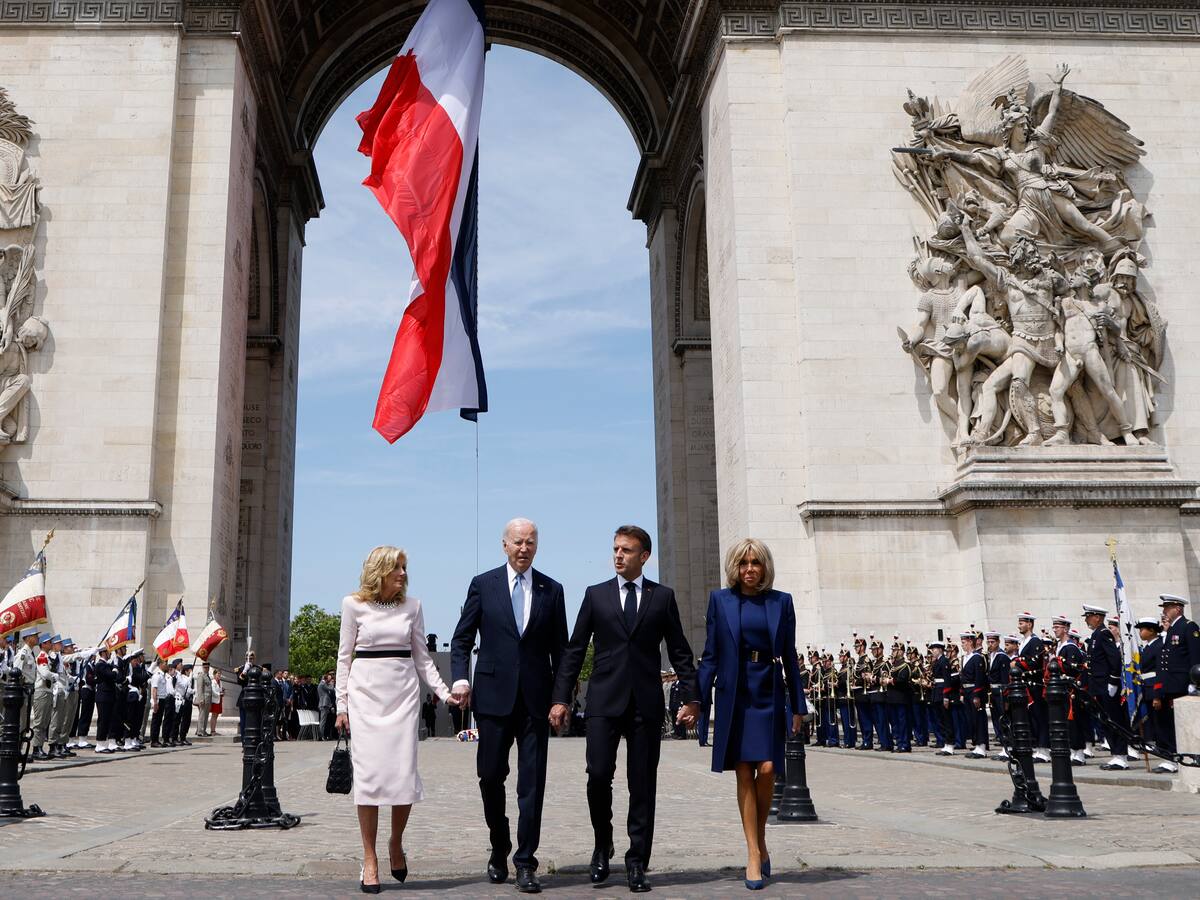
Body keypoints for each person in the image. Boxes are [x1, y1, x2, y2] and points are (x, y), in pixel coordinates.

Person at [550, 525, 698, 894]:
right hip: (603, 702)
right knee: (598, 775)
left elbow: (679, 649)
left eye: (626, 550)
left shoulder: (662, 597)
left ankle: (637, 861)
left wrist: (693, 698)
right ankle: (603, 845)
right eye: (615, 549)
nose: (618, 555)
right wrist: (560, 697)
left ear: (643, 556)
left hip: (646, 704)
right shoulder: (595, 595)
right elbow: (574, 649)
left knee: (642, 784)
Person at [449, 517, 568, 894]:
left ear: (537, 546)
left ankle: (525, 862)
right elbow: (461, 637)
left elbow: (562, 651)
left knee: (532, 784)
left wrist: (561, 697)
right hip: (493, 698)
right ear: (504, 545)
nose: (523, 548)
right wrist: (460, 678)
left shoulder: (553, 589)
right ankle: (499, 844)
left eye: (530, 542)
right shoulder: (483, 585)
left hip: (536, 701)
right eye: (517, 542)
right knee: (490, 775)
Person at [336, 545, 456, 894]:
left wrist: (445, 693)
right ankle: (370, 858)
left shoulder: (413, 607)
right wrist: (341, 705)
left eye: (405, 568)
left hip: (403, 696)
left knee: (403, 775)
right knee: (370, 779)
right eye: (398, 568)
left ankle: (395, 842)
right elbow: (344, 658)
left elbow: (423, 659)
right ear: (380, 571)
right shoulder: (352, 604)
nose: (404, 574)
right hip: (365, 697)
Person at [696, 538, 804, 891]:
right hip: (735, 691)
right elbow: (710, 653)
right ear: (735, 567)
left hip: (769, 690)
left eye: (756, 562)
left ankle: (758, 840)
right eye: (743, 563)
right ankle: (754, 853)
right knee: (744, 770)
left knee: (769, 768)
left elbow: (790, 656)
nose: (749, 569)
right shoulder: (720, 600)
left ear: (765, 566)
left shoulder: (782, 602)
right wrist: (697, 698)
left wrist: (799, 706)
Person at [1154, 595, 1200, 774]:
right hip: (1170, 684)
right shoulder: (1172, 629)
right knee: (1168, 722)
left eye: (1168, 607)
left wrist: (1194, 683)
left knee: (1177, 723)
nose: (1164, 611)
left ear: (1178, 608)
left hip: (1182, 684)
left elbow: (1195, 656)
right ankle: (1172, 757)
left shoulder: (1189, 627)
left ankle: (1178, 757)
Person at [1081, 604, 1129, 770]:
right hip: (1098, 686)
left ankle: (1121, 755)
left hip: (1107, 686)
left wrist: (1113, 682)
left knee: (1114, 720)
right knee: (1106, 721)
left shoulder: (1103, 633)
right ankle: (1115, 754)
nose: (1087, 619)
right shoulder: (1095, 635)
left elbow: (1115, 659)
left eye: (1088, 616)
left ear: (1097, 617)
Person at [1016, 613, 1049, 762]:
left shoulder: (1035, 641)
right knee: (1032, 718)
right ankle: (1037, 747)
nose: (1019, 625)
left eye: (1022, 623)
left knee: (1039, 717)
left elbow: (1034, 662)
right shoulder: (1024, 641)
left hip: (1034, 685)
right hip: (1026, 684)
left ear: (1029, 624)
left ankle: (1044, 749)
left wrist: (1017, 663)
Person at [149, 657, 174, 747]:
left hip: (163, 699)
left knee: (159, 720)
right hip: (158, 699)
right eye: (165, 663)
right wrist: (155, 702)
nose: (166, 665)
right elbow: (154, 690)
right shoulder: (157, 675)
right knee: (156, 721)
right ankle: (153, 741)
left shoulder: (163, 675)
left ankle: (156, 739)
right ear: (160, 664)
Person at [193, 659, 213, 737]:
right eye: (205, 667)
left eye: (207, 667)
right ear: (202, 667)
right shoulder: (201, 676)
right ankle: (200, 731)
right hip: (203, 699)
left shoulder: (207, 676)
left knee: (206, 715)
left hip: (208, 699)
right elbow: (200, 688)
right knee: (202, 715)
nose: (206, 669)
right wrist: (201, 699)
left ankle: (203, 730)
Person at [319, 671, 336, 740]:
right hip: (324, 703)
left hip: (324, 703)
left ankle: (322, 735)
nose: (330, 680)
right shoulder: (322, 684)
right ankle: (321, 735)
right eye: (329, 679)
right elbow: (331, 689)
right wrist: (332, 684)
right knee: (323, 720)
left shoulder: (322, 684)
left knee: (324, 720)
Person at [209, 667, 224, 736]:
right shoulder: (213, 682)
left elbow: (220, 689)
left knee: (216, 716)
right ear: (214, 674)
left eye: (220, 674)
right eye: (218, 673)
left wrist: (222, 691)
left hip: (219, 700)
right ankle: (212, 731)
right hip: (215, 701)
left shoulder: (220, 682)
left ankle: (214, 730)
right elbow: (213, 691)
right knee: (214, 715)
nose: (219, 675)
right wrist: (219, 694)